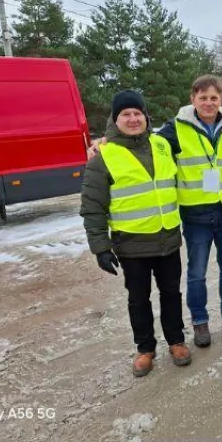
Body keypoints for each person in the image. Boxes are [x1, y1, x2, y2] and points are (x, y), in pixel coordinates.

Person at [81, 89, 189, 378]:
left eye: (137, 113)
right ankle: (145, 348)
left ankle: (176, 341)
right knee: (138, 299)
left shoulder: (163, 145)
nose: (132, 119)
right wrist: (100, 248)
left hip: (168, 240)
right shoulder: (103, 158)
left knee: (171, 294)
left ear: (146, 117)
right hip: (132, 245)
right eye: (125, 114)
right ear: (115, 120)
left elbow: (204, 124)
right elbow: (93, 208)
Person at [153, 75, 222, 347]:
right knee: (196, 273)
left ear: (221, 100)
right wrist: (105, 144)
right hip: (196, 216)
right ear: (192, 98)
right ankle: (199, 321)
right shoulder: (176, 128)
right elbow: (147, 147)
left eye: (214, 98)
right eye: (203, 97)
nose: (209, 103)